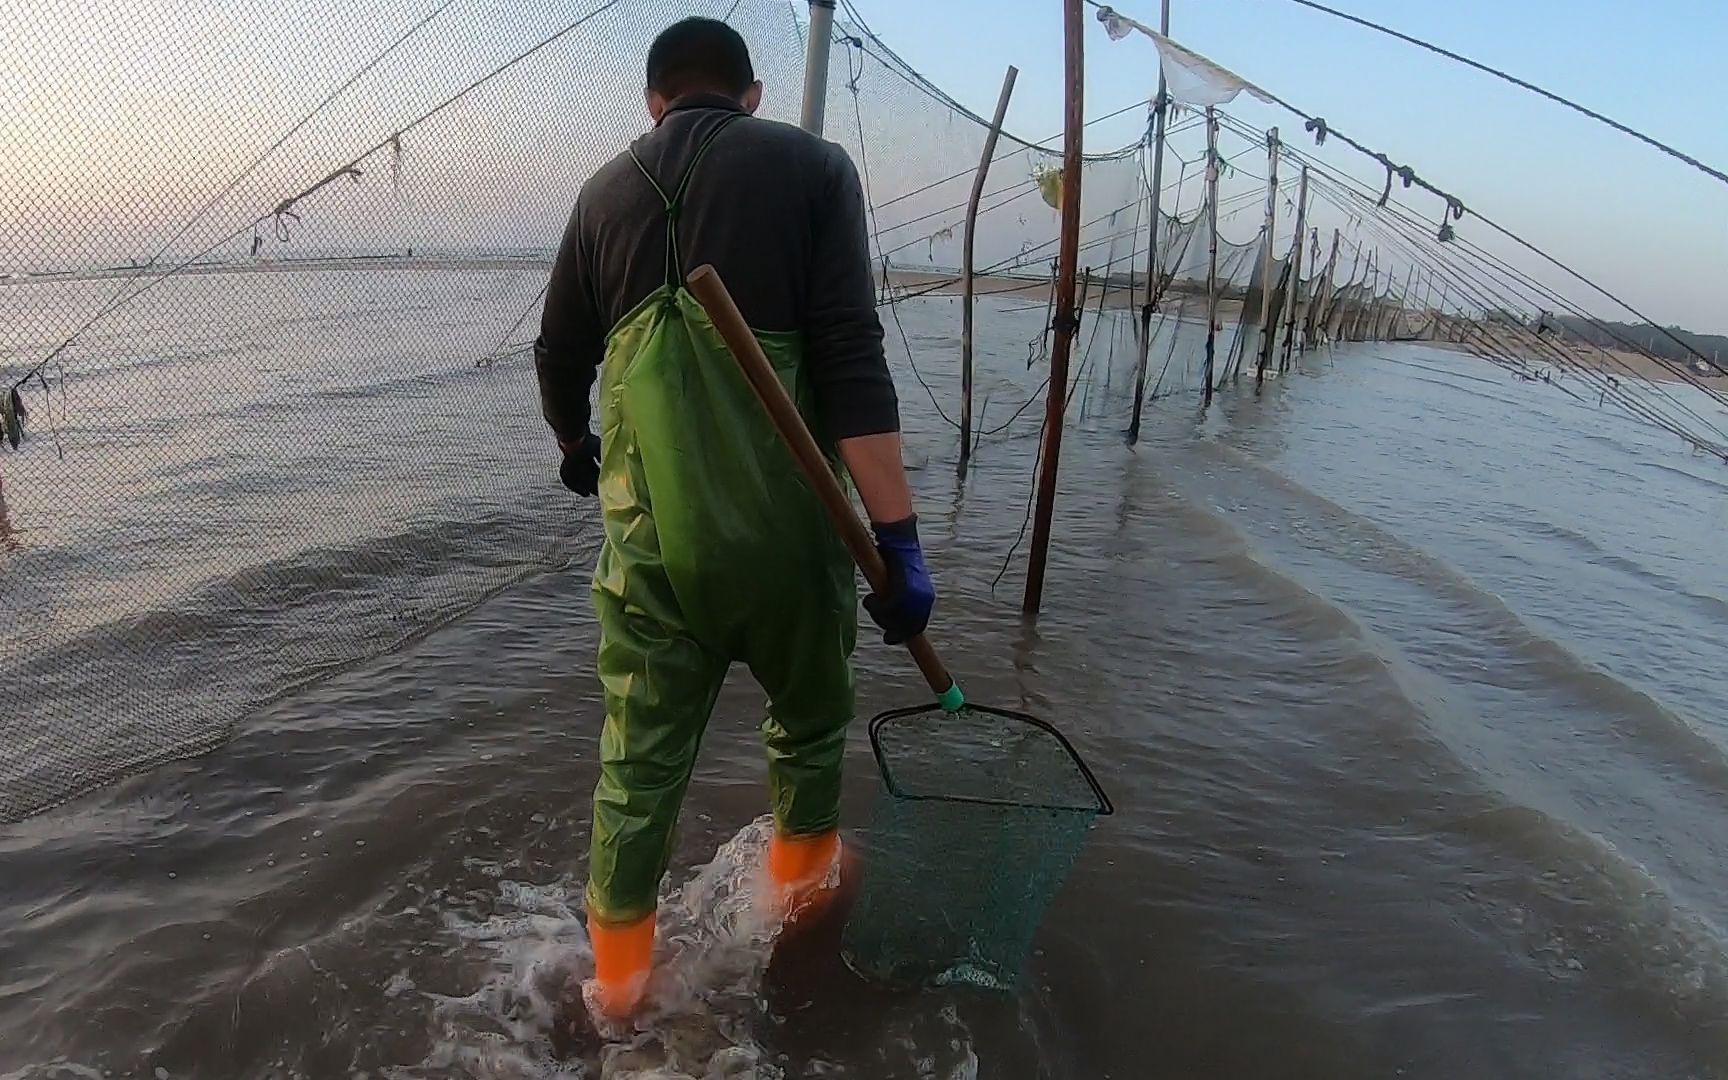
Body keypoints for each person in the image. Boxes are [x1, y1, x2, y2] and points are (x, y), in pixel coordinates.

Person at [534, 17, 936, 1018]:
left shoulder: (601, 193)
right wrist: (899, 540)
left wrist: (578, 451)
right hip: (793, 544)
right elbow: (849, 359)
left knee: (637, 765)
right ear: (752, 94)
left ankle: (618, 999)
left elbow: (557, 357)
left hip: (655, 553)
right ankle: (796, 929)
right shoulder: (815, 167)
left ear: (653, 101)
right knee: (807, 732)